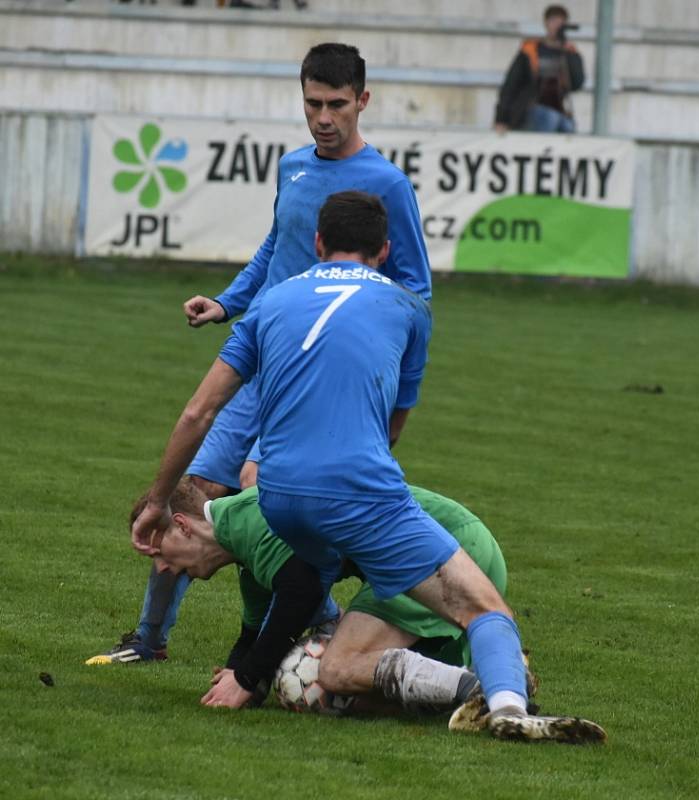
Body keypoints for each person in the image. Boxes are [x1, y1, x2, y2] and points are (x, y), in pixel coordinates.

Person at [131, 190, 605, 744]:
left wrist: (160, 498)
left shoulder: (273, 300)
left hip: (277, 491)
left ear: (316, 244)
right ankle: (505, 706)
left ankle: (398, 668)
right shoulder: (410, 308)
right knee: (484, 611)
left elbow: (198, 411)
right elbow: (393, 428)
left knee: (315, 601)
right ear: (383, 250)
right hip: (357, 492)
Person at [87, 42, 431, 666]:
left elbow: (414, 290)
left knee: (275, 506)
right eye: (312, 103)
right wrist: (226, 303)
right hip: (259, 365)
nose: (323, 117)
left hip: (314, 383)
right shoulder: (293, 167)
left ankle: (312, 637)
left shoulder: (387, 185)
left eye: (336, 105)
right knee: (191, 491)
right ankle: (148, 638)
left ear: (363, 101)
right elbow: (275, 250)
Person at [127, 479, 540, 720]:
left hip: (446, 550)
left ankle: (482, 688)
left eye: (160, 553)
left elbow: (301, 592)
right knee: (363, 698)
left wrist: (249, 677)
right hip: (454, 549)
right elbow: (256, 632)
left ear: (182, 526)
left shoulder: (249, 517)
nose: (164, 569)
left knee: (338, 669)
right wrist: (238, 677)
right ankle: (500, 670)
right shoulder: (244, 554)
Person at [494, 4, 584, 134]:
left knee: (568, 126)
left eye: (561, 22)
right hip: (529, 108)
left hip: (558, 110)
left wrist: (570, 54)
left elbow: (577, 83)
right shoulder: (529, 51)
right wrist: (501, 118)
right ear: (546, 23)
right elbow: (510, 85)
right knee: (549, 117)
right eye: (553, 21)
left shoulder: (569, 52)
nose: (557, 26)